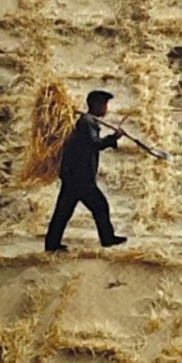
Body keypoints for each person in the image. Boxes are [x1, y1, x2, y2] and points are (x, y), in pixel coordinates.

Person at [44, 90, 129, 252]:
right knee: (100, 205)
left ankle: (52, 244)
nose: (106, 108)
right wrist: (113, 138)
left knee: (63, 211)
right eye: (104, 104)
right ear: (96, 104)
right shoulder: (86, 122)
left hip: (74, 175)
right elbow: (94, 143)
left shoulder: (87, 121)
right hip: (80, 177)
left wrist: (112, 138)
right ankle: (107, 239)